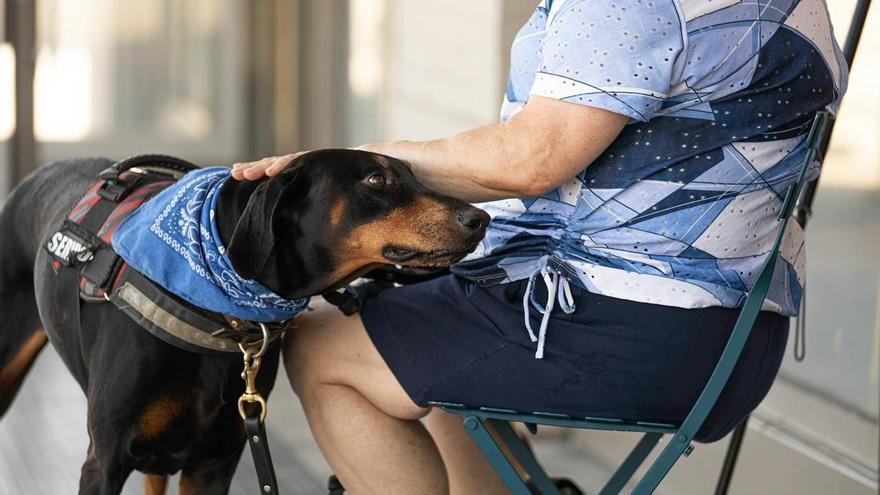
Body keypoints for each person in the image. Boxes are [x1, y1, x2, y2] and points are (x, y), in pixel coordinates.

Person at [233, 0, 847, 493]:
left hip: (626, 329)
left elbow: (532, 159)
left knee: (323, 350)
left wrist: (370, 165)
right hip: (733, 341)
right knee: (423, 343)